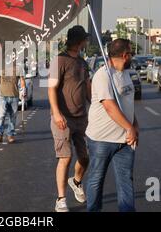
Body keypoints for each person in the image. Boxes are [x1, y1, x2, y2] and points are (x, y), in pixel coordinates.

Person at [85, 39, 139, 212]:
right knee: (96, 179)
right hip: (102, 139)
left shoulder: (124, 73)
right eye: (131, 53)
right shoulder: (103, 75)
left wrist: (134, 124)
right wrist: (129, 127)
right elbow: (109, 106)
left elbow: (127, 101)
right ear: (124, 55)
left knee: (126, 181)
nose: (132, 56)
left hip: (125, 140)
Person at [48, 25, 91, 212]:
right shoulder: (60, 60)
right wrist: (57, 114)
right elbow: (51, 88)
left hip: (81, 117)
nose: (87, 42)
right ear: (79, 41)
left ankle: (76, 181)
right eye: (85, 39)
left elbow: (87, 88)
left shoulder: (83, 62)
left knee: (85, 157)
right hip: (63, 118)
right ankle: (61, 198)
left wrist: (97, 106)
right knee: (65, 157)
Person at [0, 62, 26, 144]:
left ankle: (10, 134)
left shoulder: (18, 68)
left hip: (14, 96)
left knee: (13, 116)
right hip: (2, 96)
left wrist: (23, 90)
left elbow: (22, 80)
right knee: (1, 116)